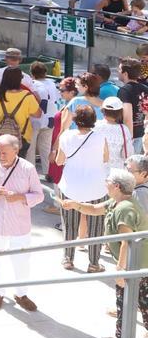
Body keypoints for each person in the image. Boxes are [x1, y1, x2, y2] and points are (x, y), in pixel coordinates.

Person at [60, 170, 148, 338]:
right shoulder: (118, 201)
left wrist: (121, 270)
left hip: (136, 263)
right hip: (138, 262)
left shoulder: (124, 209)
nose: (104, 183)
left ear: (116, 186)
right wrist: (74, 205)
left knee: (125, 300)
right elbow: (94, 209)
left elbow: (127, 241)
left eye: (107, 180)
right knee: (142, 300)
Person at [0, 134, 44, 311]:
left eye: (4, 152)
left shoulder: (27, 168)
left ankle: (21, 294)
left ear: (16, 150)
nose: (1, 156)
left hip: (19, 224)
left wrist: (19, 197)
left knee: (21, 260)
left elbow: (39, 195)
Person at [55, 105, 110, 272]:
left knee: (69, 225)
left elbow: (59, 161)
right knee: (96, 227)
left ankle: (68, 258)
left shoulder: (66, 136)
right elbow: (106, 158)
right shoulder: (100, 137)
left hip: (70, 186)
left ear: (75, 120)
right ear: (93, 120)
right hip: (96, 187)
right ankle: (94, 263)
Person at [98, 97, 134, 167]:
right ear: (120, 112)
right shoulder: (124, 129)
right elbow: (127, 154)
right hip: (117, 169)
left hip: (98, 167)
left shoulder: (95, 126)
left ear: (103, 110)